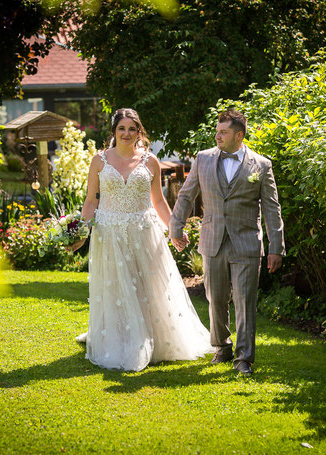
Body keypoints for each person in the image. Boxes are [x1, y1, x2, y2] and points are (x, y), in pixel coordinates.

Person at [74, 108, 214, 371]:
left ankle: (154, 339)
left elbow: (158, 201)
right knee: (116, 287)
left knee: (148, 286)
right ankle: (120, 339)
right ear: (114, 132)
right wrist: (82, 232)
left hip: (143, 230)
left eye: (132, 129)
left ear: (139, 132)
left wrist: (174, 229)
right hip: (109, 232)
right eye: (121, 128)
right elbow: (91, 200)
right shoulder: (99, 161)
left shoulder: (150, 161)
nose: (127, 133)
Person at [169, 109, 285, 376]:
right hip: (213, 240)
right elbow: (186, 196)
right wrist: (176, 226)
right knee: (216, 298)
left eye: (223, 132)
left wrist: (276, 247)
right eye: (217, 131)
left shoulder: (262, 165)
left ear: (239, 135)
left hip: (246, 242)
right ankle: (222, 346)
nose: (217, 136)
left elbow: (271, 208)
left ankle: (244, 357)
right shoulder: (203, 159)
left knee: (245, 301)